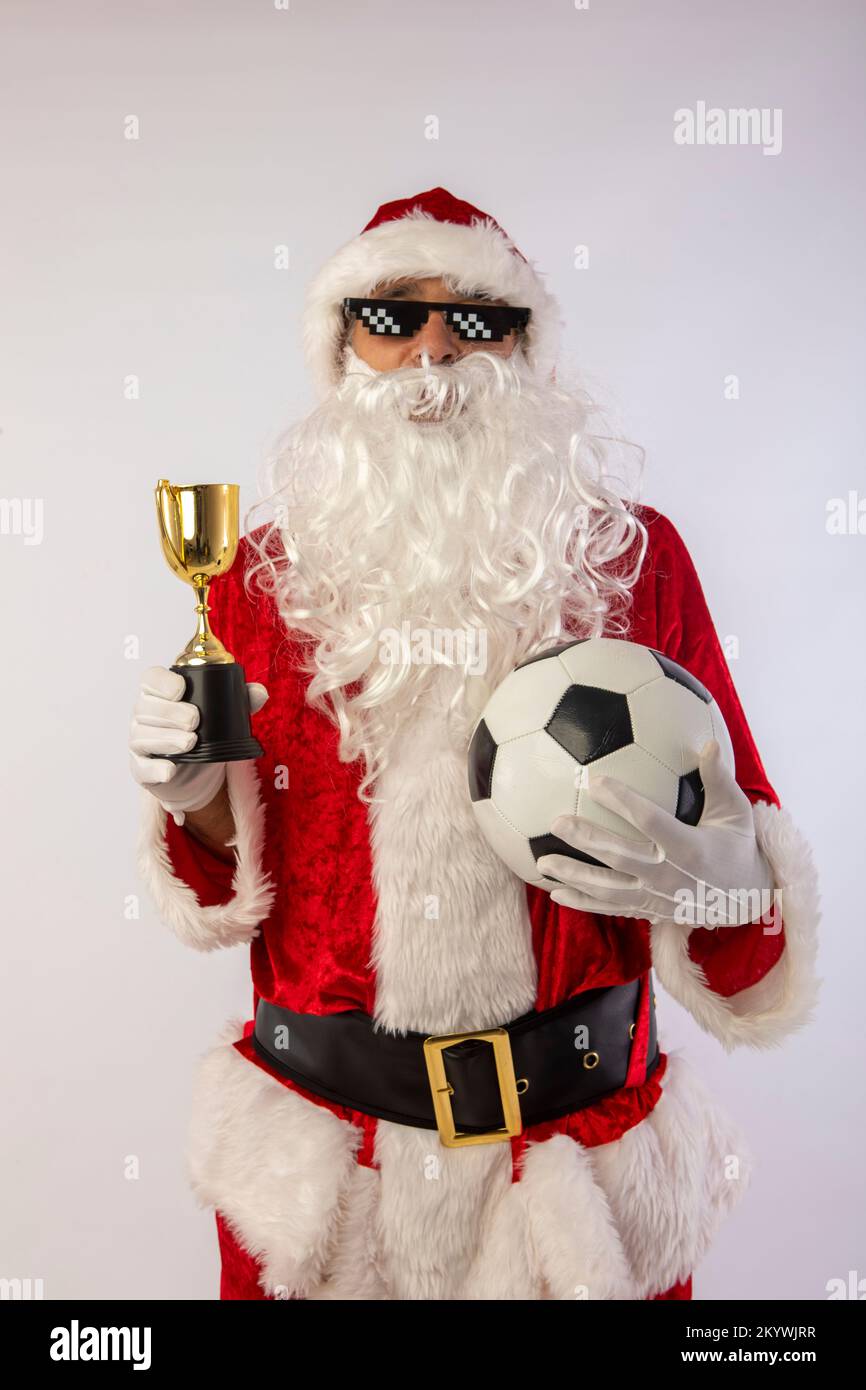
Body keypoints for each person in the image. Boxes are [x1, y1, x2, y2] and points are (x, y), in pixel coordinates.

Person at [129, 186, 821, 1301]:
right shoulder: (258, 578)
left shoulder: (631, 561)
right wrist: (198, 801)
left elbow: (751, 950)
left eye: (477, 319)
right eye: (392, 315)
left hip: (570, 1187)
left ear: (528, 350)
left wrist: (728, 881)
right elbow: (223, 891)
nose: (434, 350)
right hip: (325, 1190)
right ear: (341, 346)